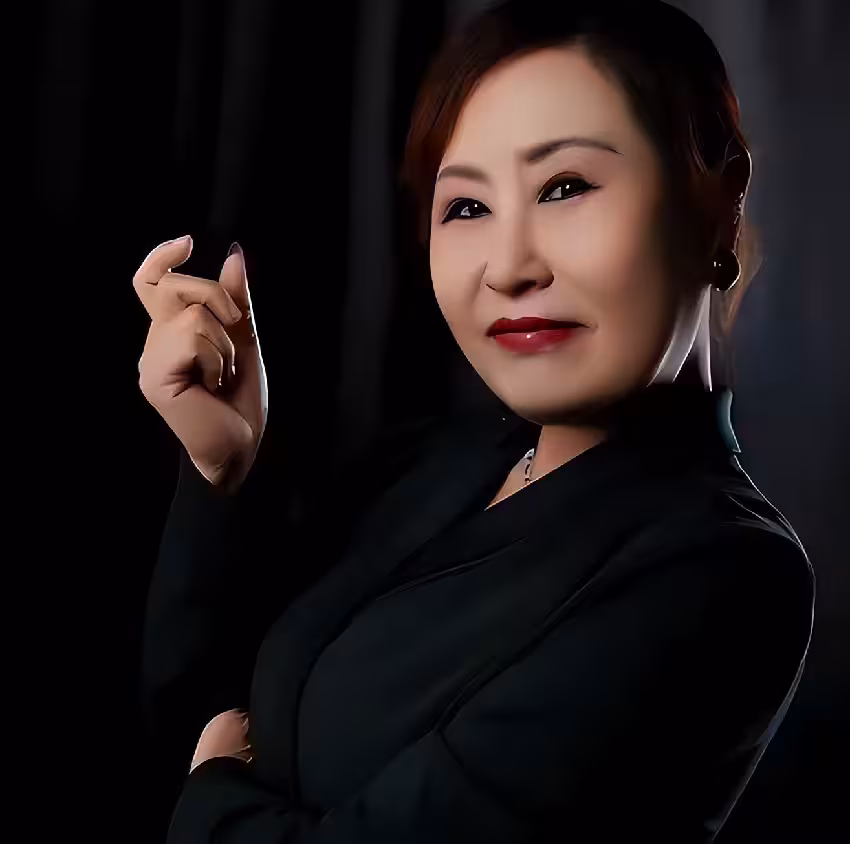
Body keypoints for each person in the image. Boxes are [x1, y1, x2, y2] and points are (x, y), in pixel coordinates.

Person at [135, 1, 815, 840]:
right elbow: (187, 725)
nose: (508, 267)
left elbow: (209, 775)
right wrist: (221, 470)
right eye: (465, 207)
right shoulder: (436, 465)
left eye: (565, 187)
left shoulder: (723, 571)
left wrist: (211, 799)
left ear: (717, 202)